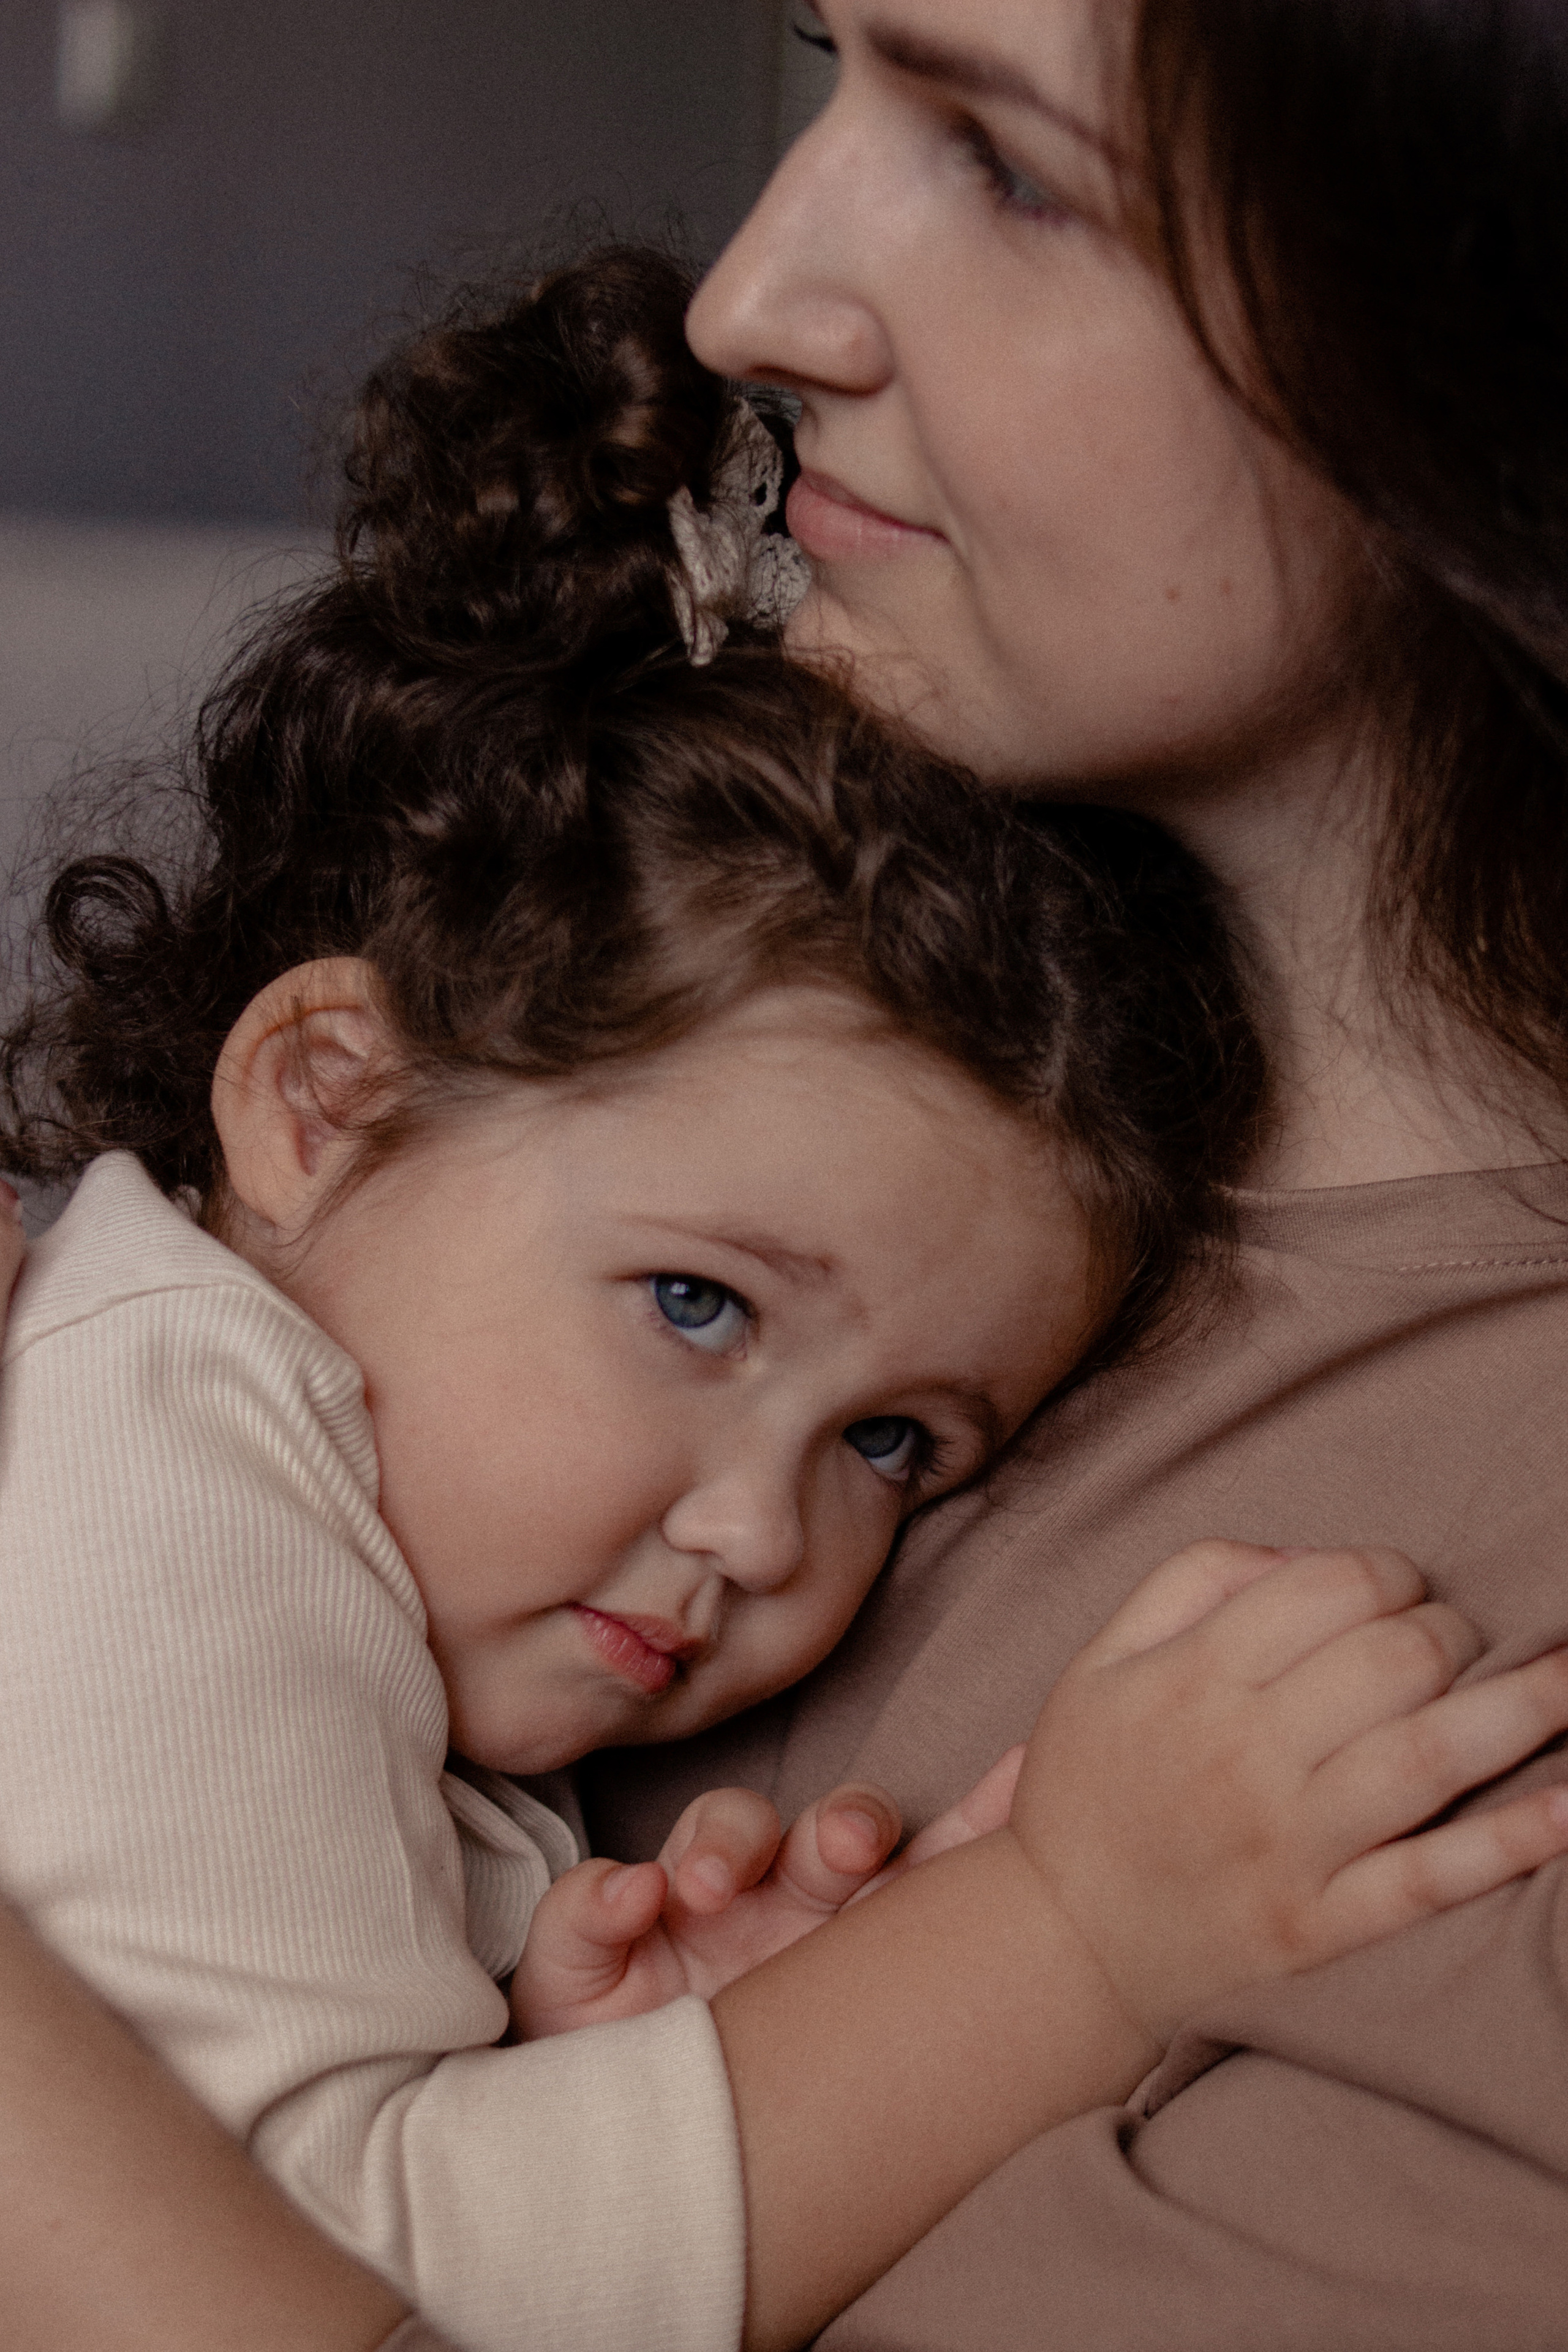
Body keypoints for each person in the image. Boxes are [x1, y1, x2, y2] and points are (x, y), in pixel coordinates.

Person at [2, 0, 1568, 2343]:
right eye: (697, 1306)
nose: (749, 295)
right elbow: (358, 2244)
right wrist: (1053, 1942)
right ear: (319, 1100)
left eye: (1009, 162)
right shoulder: (190, 1457)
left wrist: (585, 2055)